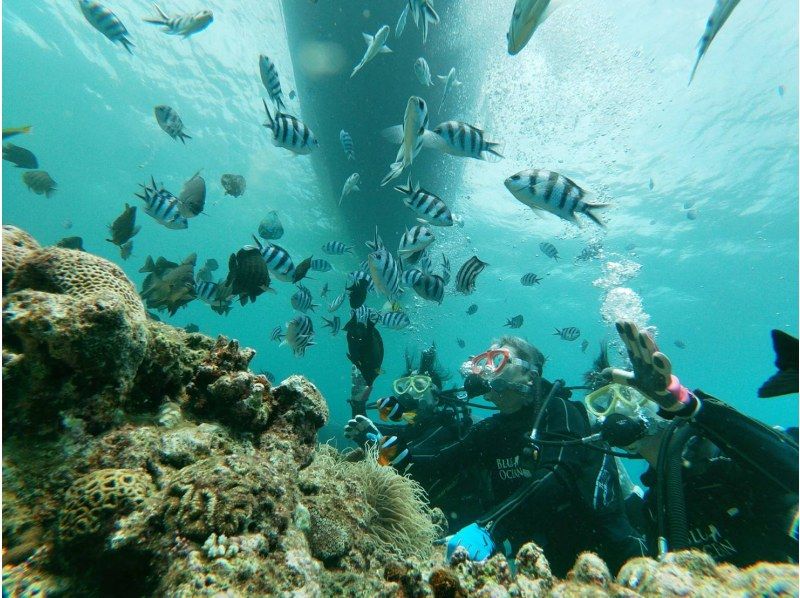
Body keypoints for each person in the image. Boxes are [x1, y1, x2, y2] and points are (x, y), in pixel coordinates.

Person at [403, 335, 647, 576]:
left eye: (498, 359)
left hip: (596, 557)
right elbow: (445, 461)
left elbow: (556, 474)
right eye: (484, 361)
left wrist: (490, 527)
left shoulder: (561, 411)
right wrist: (401, 458)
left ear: (531, 373)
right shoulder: (492, 429)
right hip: (532, 560)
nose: (488, 369)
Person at [597, 320, 799, 566]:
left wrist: (690, 406)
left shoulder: (730, 454)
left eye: (628, 394)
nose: (619, 409)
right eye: (604, 401)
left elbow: (793, 470)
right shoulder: (655, 506)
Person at [344, 344, 484, 528]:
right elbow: (366, 428)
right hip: (424, 521)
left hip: (459, 523)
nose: (410, 392)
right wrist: (358, 403)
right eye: (403, 387)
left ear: (436, 396)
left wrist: (375, 444)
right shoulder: (411, 430)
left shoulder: (449, 426)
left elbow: (418, 461)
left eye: (419, 384)